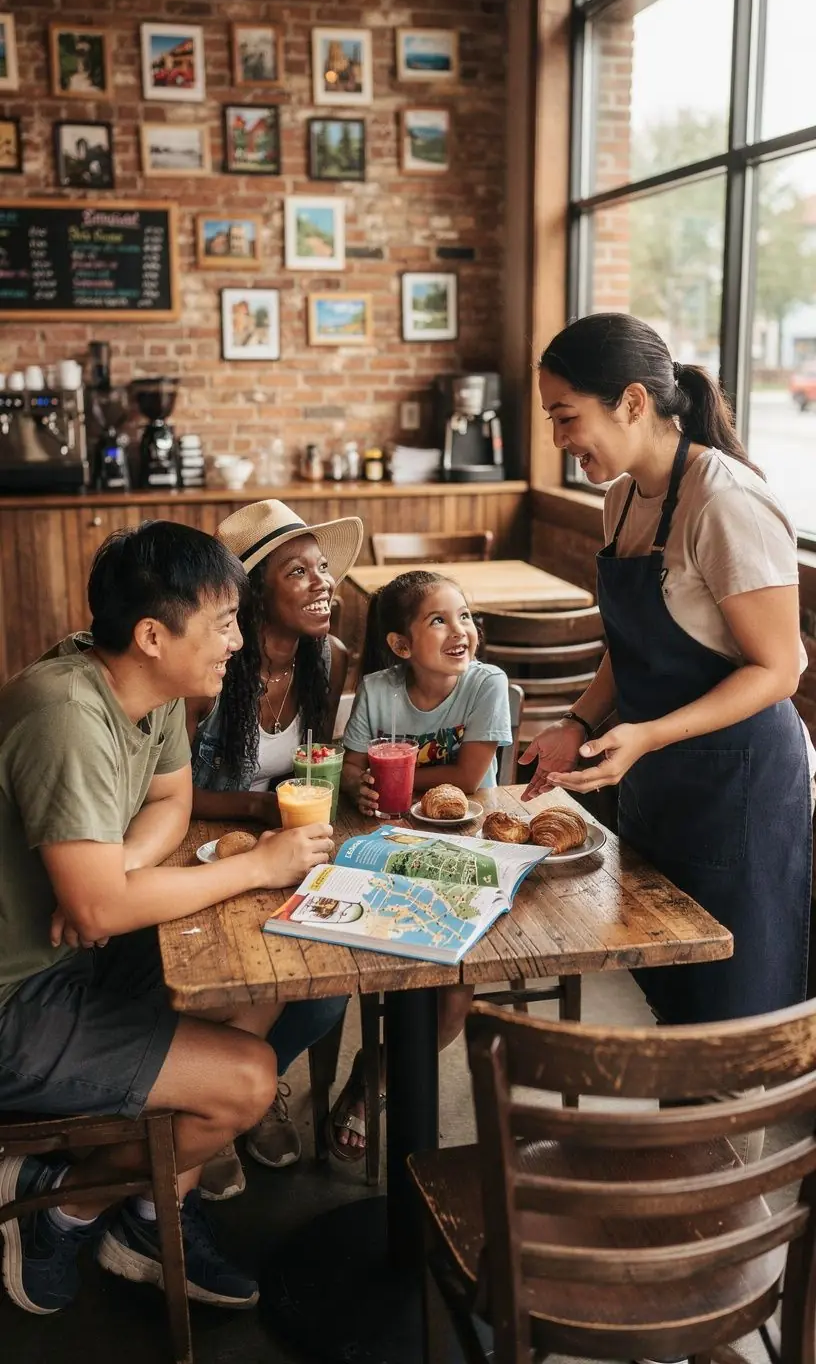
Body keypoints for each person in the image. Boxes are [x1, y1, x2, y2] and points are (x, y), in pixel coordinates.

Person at [0, 521, 334, 1317]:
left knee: (267, 969)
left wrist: (114, 875)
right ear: (152, 634)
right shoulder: (66, 713)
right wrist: (256, 865)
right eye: (223, 622)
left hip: (84, 955)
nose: (236, 640)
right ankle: (63, 1207)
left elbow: (170, 802)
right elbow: (95, 908)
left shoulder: (145, 689)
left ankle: (150, 1217)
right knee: (247, 1084)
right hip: (18, 998)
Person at [523, 311, 814, 1027]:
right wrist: (579, 721)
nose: (559, 440)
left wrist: (648, 735)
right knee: (669, 989)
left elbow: (781, 670)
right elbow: (632, 647)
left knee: (729, 1014)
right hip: (661, 784)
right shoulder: (621, 499)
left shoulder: (726, 501)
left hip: (740, 790)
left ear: (631, 401)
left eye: (566, 417)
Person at [187, 499, 364, 1199]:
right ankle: (219, 1105)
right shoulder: (210, 669)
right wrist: (261, 808)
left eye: (324, 569)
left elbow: (315, 763)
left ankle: (245, 1099)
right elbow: (171, 796)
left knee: (325, 990)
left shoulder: (333, 661)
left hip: (286, 851)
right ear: (257, 593)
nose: (324, 583)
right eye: (300, 572)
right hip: (199, 859)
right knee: (234, 987)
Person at [335, 569, 513, 1159]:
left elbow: (468, 779)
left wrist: (393, 780)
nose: (461, 630)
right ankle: (378, 1063)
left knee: (453, 1003)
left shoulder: (485, 683)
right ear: (402, 645)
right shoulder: (380, 690)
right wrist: (360, 789)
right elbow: (354, 769)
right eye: (439, 619)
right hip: (386, 851)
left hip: (467, 848)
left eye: (465, 616)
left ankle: (378, 1071)